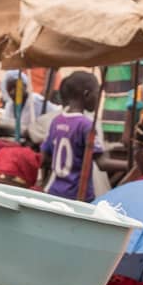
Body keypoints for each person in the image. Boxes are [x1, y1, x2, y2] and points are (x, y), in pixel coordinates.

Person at [41, 71, 102, 202]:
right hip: (77, 196)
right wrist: (130, 165)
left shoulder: (56, 121)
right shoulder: (86, 125)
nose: (98, 99)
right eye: (97, 94)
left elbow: (45, 157)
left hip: (53, 191)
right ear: (86, 94)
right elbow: (102, 162)